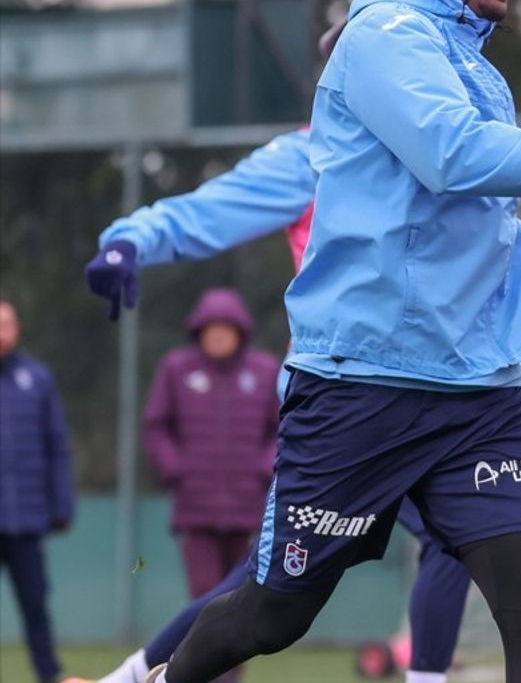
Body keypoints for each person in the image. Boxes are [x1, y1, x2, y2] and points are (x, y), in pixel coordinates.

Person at [143, 0, 521, 680]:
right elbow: (456, 156)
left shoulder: (465, 54)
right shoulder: (385, 32)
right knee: (271, 615)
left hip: (481, 391)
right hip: (363, 385)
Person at [80, 125, 470, 683]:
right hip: (337, 399)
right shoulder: (311, 153)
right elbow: (208, 211)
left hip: (438, 393)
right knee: (270, 584)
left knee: (466, 543)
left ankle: (131, 676)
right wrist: (131, 239)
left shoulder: (444, 137)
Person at [143, 288, 280, 602]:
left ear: (240, 332)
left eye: (225, 329)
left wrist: (264, 470)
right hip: (196, 507)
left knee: (243, 599)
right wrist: (176, 469)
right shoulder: (176, 369)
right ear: (199, 332)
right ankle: (202, 653)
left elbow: (283, 430)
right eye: (211, 329)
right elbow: (156, 425)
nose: (218, 336)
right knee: (204, 596)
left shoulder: (264, 371)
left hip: (250, 507)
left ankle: (233, 654)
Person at [0, 296, 74, 683]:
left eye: (6, 324)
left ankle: (49, 676)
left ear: (17, 328)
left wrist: (60, 503)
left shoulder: (37, 378)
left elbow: (56, 445)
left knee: (35, 606)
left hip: (25, 518)